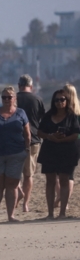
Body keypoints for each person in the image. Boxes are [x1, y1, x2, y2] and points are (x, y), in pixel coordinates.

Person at [0, 86, 30, 223]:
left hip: (16, 153)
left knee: (12, 184)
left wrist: (27, 149)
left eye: (9, 97)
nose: (7, 100)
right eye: (4, 97)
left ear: (15, 98)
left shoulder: (21, 113)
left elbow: (27, 133)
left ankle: (11, 216)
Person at [38, 89, 80, 219]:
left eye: (62, 99)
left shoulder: (72, 116)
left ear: (67, 101)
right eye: (56, 100)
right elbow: (39, 132)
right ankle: (50, 213)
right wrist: (51, 137)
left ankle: (62, 213)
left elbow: (76, 134)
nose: (59, 102)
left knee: (64, 180)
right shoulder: (47, 115)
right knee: (50, 181)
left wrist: (62, 139)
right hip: (49, 149)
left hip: (67, 151)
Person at [15, 74, 46, 213]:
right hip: (33, 140)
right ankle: (25, 204)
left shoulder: (12, 98)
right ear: (31, 86)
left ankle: (19, 191)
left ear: (19, 85)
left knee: (12, 172)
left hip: (14, 140)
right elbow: (42, 120)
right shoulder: (37, 99)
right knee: (29, 175)